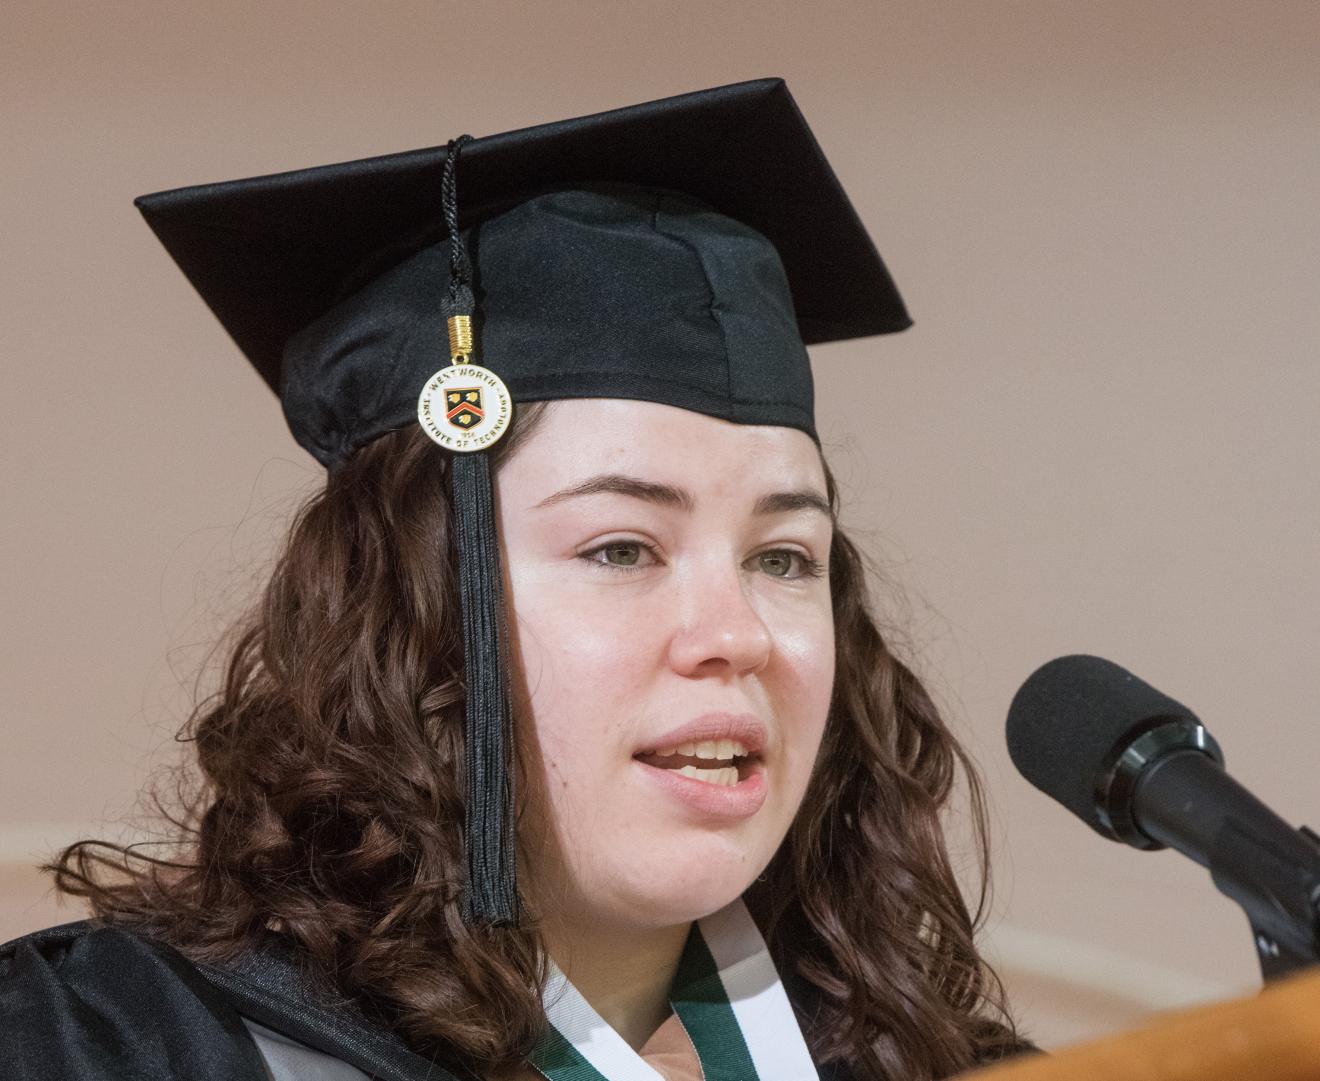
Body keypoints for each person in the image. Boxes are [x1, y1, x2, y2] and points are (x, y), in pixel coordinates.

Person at [0, 79, 1032, 1080]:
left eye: (782, 558)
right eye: (622, 547)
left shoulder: (965, 1067)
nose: (737, 632)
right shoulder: (102, 1050)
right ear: (408, 613)